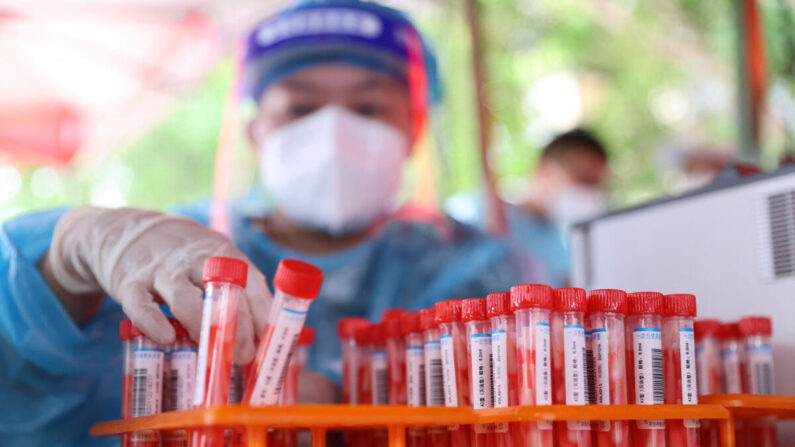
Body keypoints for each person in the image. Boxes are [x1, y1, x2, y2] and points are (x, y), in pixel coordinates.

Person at [0, 1, 518, 446]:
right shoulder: (170, 260)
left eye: (368, 106)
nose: (332, 132)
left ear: (414, 129)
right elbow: (26, 409)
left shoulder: (472, 272)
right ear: (255, 132)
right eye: (299, 107)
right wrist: (64, 261)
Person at [506, 128, 609, 287]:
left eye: (597, 186)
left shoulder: (564, 243)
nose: (590, 194)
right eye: (583, 179)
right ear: (545, 170)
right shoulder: (487, 220)